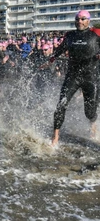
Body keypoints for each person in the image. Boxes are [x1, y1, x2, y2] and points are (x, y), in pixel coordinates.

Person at [43, 10, 100, 146]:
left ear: (88, 21)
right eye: (77, 19)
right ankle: (55, 137)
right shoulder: (70, 36)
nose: (79, 21)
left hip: (90, 77)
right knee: (61, 105)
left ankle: (93, 125)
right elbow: (60, 50)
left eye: (83, 19)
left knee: (89, 112)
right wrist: (50, 60)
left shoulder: (96, 34)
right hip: (72, 76)